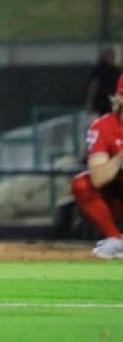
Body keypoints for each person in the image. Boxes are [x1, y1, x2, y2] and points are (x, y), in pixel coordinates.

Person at [71, 74, 123, 259]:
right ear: (118, 98)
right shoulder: (103, 126)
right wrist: (119, 158)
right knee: (81, 184)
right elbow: (98, 178)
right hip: (115, 195)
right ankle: (115, 239)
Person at [85, 47, 121, 116]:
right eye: (109, 55)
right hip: (101, 100)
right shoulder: (99, 69)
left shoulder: (117, 70)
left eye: (112, 55)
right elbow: (94, 85)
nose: (111, 57)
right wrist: (89, 102)